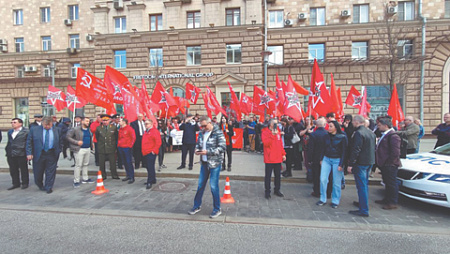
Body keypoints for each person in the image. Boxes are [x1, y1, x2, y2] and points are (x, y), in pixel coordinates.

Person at [188, 116, 226, 219]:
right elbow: (198, 144)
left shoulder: (218, 132)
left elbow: (222, 147)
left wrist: (208, 152)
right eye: (201, 126)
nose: (203, 128)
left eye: (205, 125)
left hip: (215, 163)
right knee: (200, 185)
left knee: (213, 186)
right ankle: (196, 206)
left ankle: (217, 209)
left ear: (210, 123)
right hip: (204, 163)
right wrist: (197, 150)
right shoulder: (201, 133)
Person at [347, 115, 376, 217]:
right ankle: (363, 204)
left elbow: (356, 149)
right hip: (369, 161)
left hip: (361, 163)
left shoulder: (358, 133)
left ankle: (363, 209)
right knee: (364, 185)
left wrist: (351, 164)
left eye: (353, 122)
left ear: (356, 122)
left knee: (361, 186)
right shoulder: (370, 132)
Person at [26, 116, 62, 194]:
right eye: (45, 125)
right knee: (38, 172)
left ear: (52, 123)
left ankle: (49, 187)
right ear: (42, 123)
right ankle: (39, 184)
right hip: (39, 153)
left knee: (51, 171)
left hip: (51, 153)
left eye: (49, 125)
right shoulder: (34, 130)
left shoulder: (57, 130)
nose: (47, 126)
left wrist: (59, 150)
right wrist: (29, 153)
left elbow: (60, 141)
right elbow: (29, 142)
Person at [316, 121, 348, 209]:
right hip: (326, 158)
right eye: (328, 126)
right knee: (323, 179)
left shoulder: (342, 137)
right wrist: (321, 158)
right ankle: (323, 198)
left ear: (336, 127)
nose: (328, 128)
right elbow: (323, 148)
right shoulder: (325, 136)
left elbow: (344, 152)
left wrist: (341, 164)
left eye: (330, 126)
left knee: (336, 182)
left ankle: (335, 200)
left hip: (337, 160)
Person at [375, 117, 402, 210]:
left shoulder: (393, 136)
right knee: (386, 182)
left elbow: (395, 152)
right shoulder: (385, 134)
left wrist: (388, 162)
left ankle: (392, 202)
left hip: (390, 164)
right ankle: (387, 199)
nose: (378, 127)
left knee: (391, 183)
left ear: (385, 125)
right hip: (385, 164)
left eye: (379, 125)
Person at [66, 116, 95, 188]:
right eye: (86, 121)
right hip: (79, 149)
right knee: (78, 165)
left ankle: (85, 178)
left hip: (87, 148)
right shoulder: (75, 129)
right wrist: (76, 142)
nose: (88, 123)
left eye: (88, 121)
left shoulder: (88, 129)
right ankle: (76, 180)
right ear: (82, 121)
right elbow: (68, 137)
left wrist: (91, 144)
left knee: (86, 164)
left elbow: (90, 137)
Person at [261, 118, 286, 199]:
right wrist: (272, 135)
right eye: (275, 123)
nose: (276, 125)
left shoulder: (278, 132)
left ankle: (277, 190)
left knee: (278, 176)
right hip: (269, 158)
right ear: (270, 124)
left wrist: (283, 154)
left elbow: (280, 144)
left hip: (278, 157)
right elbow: (266, 143)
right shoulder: (265, 132)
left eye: (277, 123)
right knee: (268, 176)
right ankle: (267, 191)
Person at [307, 118, 330, 198]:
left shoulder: (313, 134)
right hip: (326, 157)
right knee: (326, 176)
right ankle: (326, 191)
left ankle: (317, 191)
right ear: (324, 125)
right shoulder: (327, 134)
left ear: (316, 125)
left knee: (316, 176)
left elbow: (310, 148)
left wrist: (309, 159)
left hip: (315, 158)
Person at [6, 118, 29, 190]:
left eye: (14, 122)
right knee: (13, 169)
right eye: (12, 122)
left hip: (21, 153)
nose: (12, 123)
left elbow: (28, 143)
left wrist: (28, 153)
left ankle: (25, 182)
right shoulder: (10, 132)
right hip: (11, 153)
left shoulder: (26, 131)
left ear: (20, 123)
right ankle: (15, 183)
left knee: (23, 169)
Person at [95, 114, 120, 180]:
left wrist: (114, 146)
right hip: (102, 147)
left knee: (112, 163)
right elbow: (97, 137)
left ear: (109, 120)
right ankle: (103, 175)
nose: (105, 122)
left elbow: (116, 137)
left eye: (106, 120)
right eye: (104, 120)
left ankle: (114, 175)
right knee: (101, 163)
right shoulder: (98, 128)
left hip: (111, 147)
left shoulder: (113, 127)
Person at [142, 119, 162, 189]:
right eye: (145, 124)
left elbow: (158, 142)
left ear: (151, 124)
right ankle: (153, 179)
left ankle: (149, 181)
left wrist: (154, 151)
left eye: (147, 124)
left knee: (150, 167)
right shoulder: (146, 131)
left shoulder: (154, 131)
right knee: (148, 167)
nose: (145, 125)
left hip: (150, 152)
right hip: (146, 151)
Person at [118, 118, 136, 184]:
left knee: (129, 162)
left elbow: (133, 137)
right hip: (121, 147)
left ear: (124, 122)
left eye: (120, 121)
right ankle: (128, 175)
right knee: (124, 162)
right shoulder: (120, 129)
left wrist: (130, 146)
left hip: (127, 147)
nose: (118, 122)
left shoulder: (129, 129)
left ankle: (132, 176)